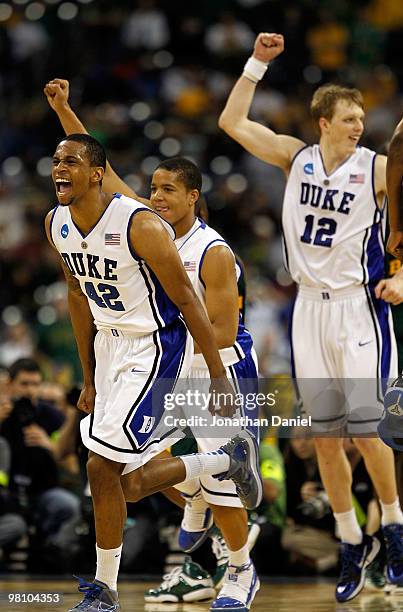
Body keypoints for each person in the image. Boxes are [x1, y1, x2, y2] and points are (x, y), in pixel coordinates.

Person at [44, 79, 261, 612]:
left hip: (215, 361)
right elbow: (96, 166)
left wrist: (208, 375)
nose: (156, 197)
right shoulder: (139, 221)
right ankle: (206, 474)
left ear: (195, 200)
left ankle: (239, 569)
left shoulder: (210, 251)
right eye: (153, 189)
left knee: (212, 495)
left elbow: (224, 330)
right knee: (134, 474)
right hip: (151, 359)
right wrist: (65, 108)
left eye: (169, 191)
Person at [219, 32, 403, 603]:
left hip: (358, 307)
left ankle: (394, 529)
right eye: (349, 117)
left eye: (362, 118)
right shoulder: (294, 157)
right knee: (324, 439)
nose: (358, 125)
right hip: (307, 309)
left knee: (368, 431)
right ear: (323, 121)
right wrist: (256, 64)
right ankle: (352, 541)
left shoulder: (377, 170)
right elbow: (232, 122)